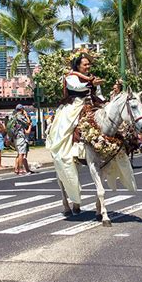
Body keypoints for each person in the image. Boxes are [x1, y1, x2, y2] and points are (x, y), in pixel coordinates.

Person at [46, 52, 105, 211]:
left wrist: (104, 102)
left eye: (89, 64)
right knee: (65, 126)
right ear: (78, 65)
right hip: (74, 106)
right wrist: (92, 83)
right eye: (85, 64)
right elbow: (76, 87)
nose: (88, 66)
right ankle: (66, 150)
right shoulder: (71, 76)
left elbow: (98, 94)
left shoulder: (93, 78)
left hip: (90, 104)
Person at [12, 104, 33, 175]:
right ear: (21, 109)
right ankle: (21, 169)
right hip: (21, 137)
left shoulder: (13, 116)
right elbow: (28, 122)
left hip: (15, 137)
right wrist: (26, 115)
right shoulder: (20, 116)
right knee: (21, 154)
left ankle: (16, 169)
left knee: (18, 154)